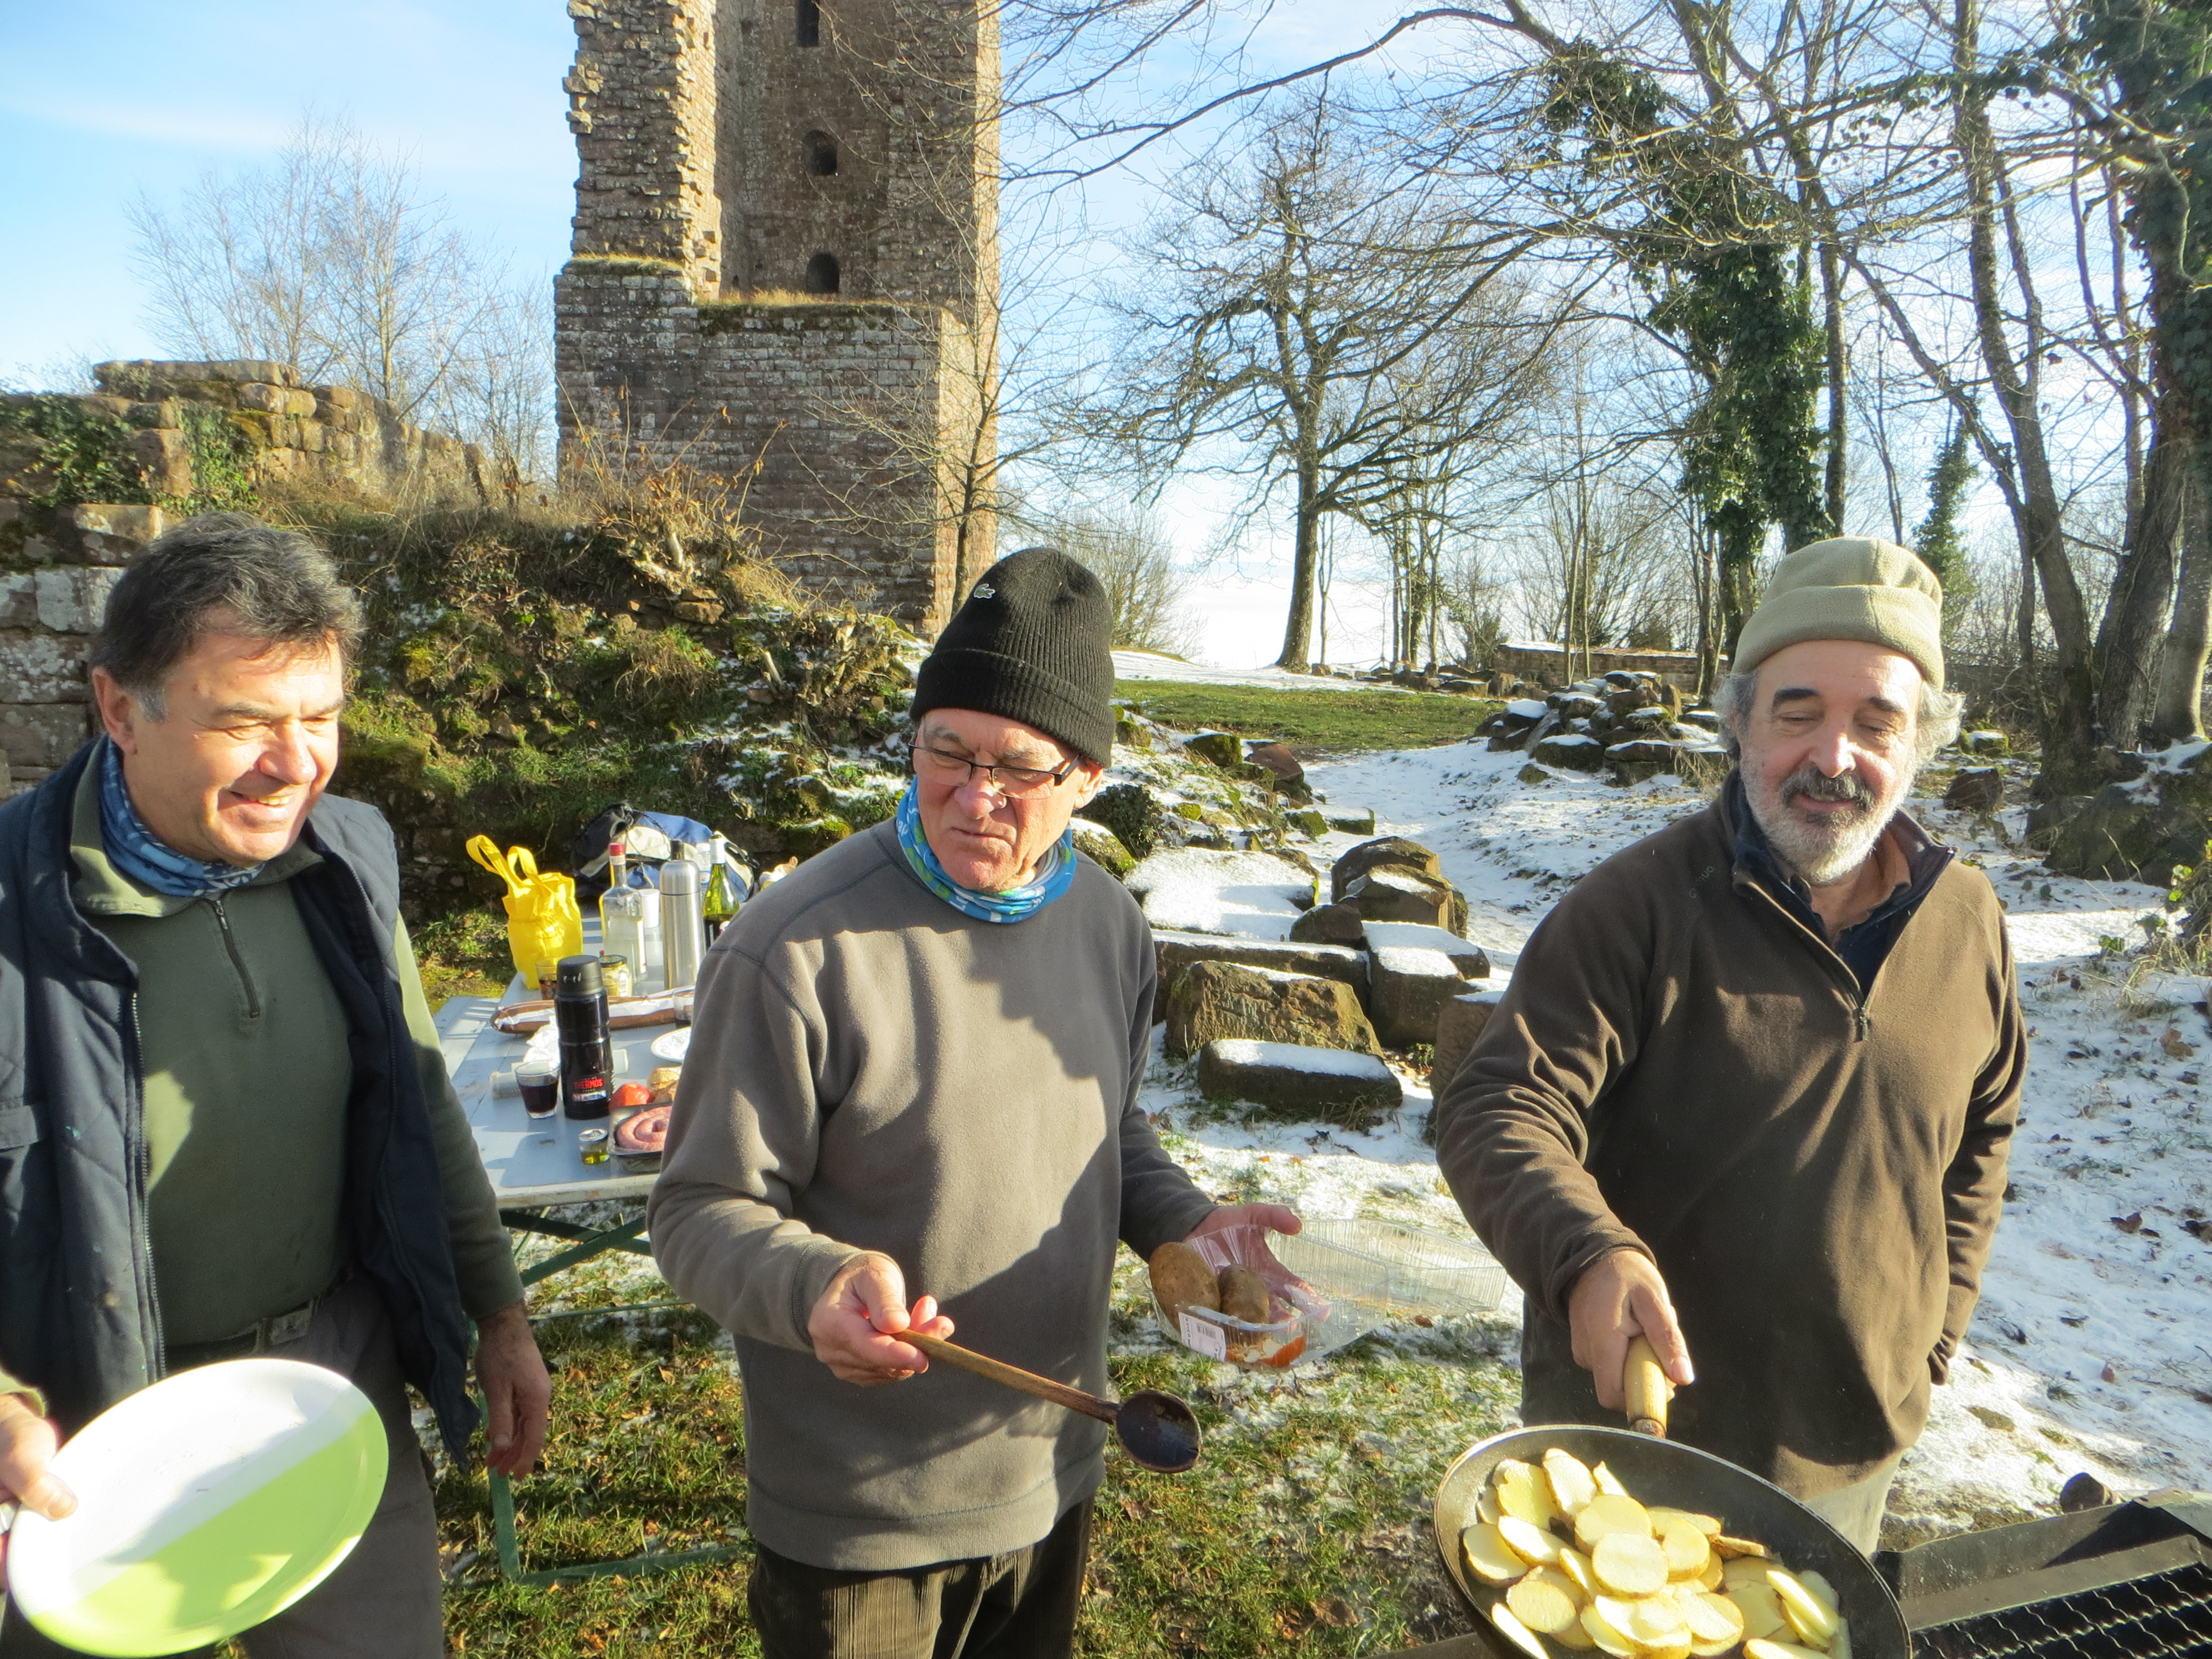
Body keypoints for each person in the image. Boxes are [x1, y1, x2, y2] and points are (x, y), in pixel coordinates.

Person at [650, 548, 1297, 1658]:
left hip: (1054, 1462)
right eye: (944, 750)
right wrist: (813, 1285)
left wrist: (1182, 1222)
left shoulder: (1109, 928)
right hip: (859, 1516)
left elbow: (1104, 1128)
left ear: (1086, 777)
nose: (972, 793)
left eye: (1019, 766)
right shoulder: (793, 947)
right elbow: (697, 1209)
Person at [0, 514, 551, 1656]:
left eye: (321, 717)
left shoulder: (345, 853)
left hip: (327, 1384)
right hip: (79, 1439)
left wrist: (499, 1316)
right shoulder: (15, 906)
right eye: (245, 721)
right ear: (119, 710)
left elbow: (420, 1103)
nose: (296, 764)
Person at [1437, 538, 2025, 1553]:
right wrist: (1587, 1254)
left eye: (1876, 722)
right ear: (1740, 721)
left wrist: (1933, 1338)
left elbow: (1984, 1130)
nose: (1834, 757)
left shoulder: (1968, 919)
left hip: (1847, 1465)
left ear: (1918, 743)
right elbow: (1499, 1105)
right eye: (1799, 713)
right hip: (1631, 1445)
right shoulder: (1636, 907)